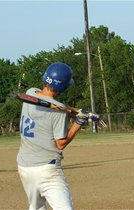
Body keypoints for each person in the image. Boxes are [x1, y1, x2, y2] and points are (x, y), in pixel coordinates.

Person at [17, 62, 95, 210]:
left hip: (24, 167)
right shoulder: (58, 113)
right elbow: (60, 144)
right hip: (47, 169)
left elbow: (57, 106)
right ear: (63, 86)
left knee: (36, 207)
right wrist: (78, 122)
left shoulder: (30, 92)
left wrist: (77, 111)